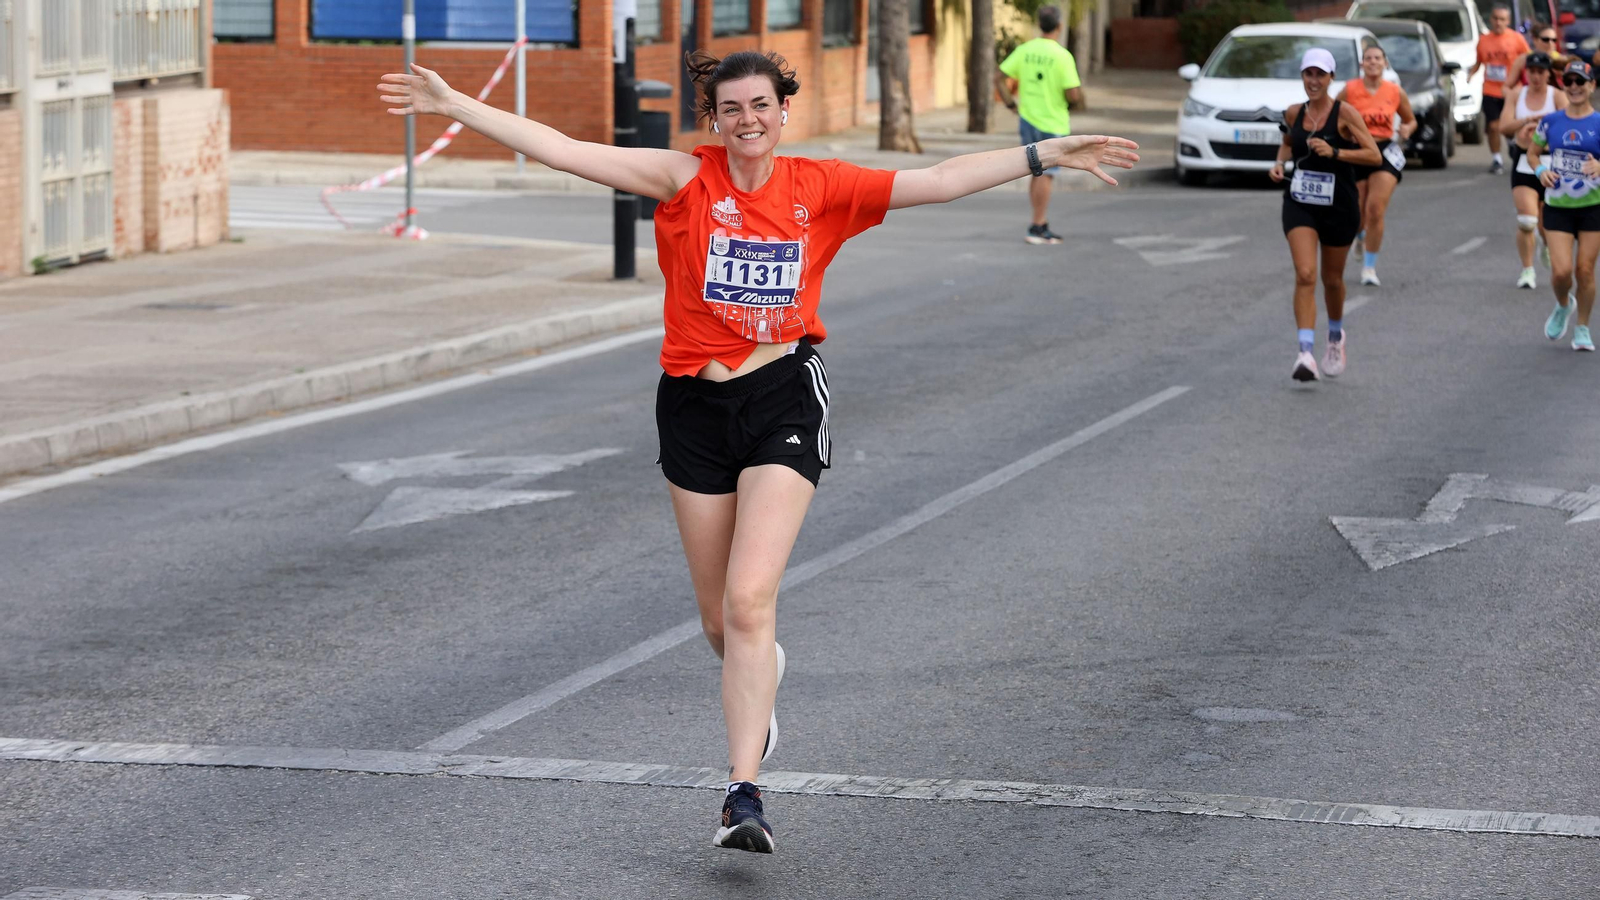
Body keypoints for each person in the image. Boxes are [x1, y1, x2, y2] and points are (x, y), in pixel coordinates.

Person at [378, 51, 1138, 852]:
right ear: (714, 119)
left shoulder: (822, 186)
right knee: (721, 621)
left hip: (782, 399)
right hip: (693, 408)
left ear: (783, 112)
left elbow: (943, 179)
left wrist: (1049, 150)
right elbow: (565, 150)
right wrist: (455, 104)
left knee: (748, 599)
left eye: (761, 105)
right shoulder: (684, 180)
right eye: (732, 107)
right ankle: (759, 674)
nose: (748, 119)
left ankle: (742, 794)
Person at [1270, 48, 1382, 382]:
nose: (1314, 80)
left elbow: (1373, 155)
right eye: (1309, 74)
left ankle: (1335, 337)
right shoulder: (1294, 112)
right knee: (1305, 274)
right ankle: (1305, 353)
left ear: (1331, 77)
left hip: (1339, 204)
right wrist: (1279, 164)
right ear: (1302, 76)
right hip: (1300, 201)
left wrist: (1335, 151)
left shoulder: (1345, 113)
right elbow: (1288, 141)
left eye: (1320, 74)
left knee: (1332, 280)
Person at [994, 5, 1084, 245]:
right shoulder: (1062, 56)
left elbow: (998, 78)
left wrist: (1010, 104)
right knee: (1046, 173)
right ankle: (1037, 225)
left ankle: (1037, 222)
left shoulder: (1025, 50)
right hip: (1052, 122)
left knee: (1036, 171)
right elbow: (1073, 94)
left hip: (1027, 120)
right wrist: (1070, 101)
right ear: (1059, 26)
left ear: (1039, 25)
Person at [1527, 59, 1600, 351]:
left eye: (1580, 81)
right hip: (1557, 206)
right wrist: (1539, 171)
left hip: (1593, 207)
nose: (1574, 87)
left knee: (1585, 270)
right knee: (1561, 272)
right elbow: (1532, 153)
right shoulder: (1551, 122)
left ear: (1592, 86)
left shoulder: (1598, 123)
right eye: (1568, 81)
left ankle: (1582, 327)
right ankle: (1563, 304)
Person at [1337, 45, 1416, 287]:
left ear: (1385, 63)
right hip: (1357, 151)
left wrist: (1407, 129)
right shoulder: (1349, 90)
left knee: (1375, 210)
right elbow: (1334, 117)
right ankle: (1360, 235)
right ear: (1362, 64)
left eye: (1377, 58)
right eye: (1368, 58)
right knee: (1357, 213)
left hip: (1384, 151)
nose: (1373, 62)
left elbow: (1410, 119)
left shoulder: (1394, 91)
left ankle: (1369, 268)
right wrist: (1342, 132)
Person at [1500, 51, 1564, 289]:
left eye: (1540, 72)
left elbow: (1569, 128)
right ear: (1526, 73)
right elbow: (1504, 126)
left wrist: (1544, 132)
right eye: (1532, 72)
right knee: (1527, 220)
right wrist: (1526, 122)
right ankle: (1527, 270)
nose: (1536, 77)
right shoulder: (1517, 95)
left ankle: (1545, 244)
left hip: (1551, 163)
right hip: (1524, 160)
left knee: (1546, 223)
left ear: (1548, 74)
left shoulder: (1558, 96)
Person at [1471, 5, 1531, 175]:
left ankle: (1511, 143)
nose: (1498, 22)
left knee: (1510, 126)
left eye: (1502, 19)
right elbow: (1479, 61)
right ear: (1491, 20)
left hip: (1511, 91)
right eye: (1496, 18)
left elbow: (1528, 60)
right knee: (1493, 126)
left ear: (1508, 21)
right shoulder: (1484, 40)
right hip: (1490, 90)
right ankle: (1497, 159)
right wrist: (1471, 74)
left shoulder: (1517, 39)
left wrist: (1525, 82)